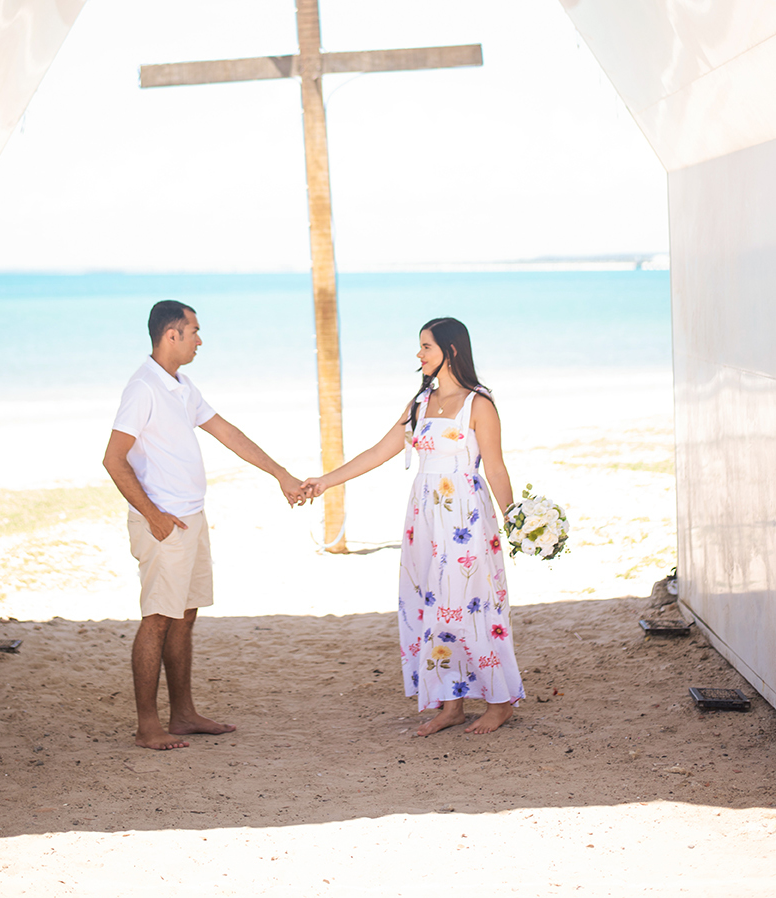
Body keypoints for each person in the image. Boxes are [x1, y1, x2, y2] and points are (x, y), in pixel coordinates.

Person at [302, 317, 524, 736]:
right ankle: (451, 703)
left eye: (426, 346)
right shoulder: (420, 404)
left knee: (473, 605)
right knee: (433, 605)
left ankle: (499, 702)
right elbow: (378, 451)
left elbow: (494, 466)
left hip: (465, 517)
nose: (419, 354)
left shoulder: (479, 404)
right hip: (424, 519)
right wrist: (325, 481)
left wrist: (515, 520)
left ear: (451, 350)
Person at [103, 299, 307, 751]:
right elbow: (113, 460)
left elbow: (228, 433)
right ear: (171, 334)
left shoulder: (181, 386)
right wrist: (153, 516)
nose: (200, 339)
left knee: (185, 618)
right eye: (194, 331)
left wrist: (281, 475)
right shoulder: (143, 389)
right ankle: (146, 725)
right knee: (156, 620)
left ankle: (183, 714)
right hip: (164, 524)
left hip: (192, 517)